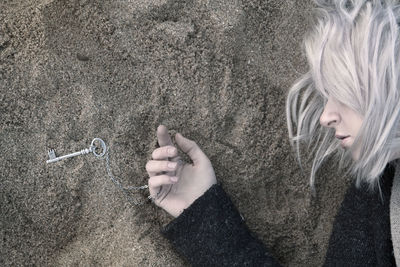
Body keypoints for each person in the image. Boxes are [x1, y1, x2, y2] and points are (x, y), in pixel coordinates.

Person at [145, 0, 400, 265]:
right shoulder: (378, 194)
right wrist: (203, 209)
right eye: (328, 93)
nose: (326, 116)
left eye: (344, 90)